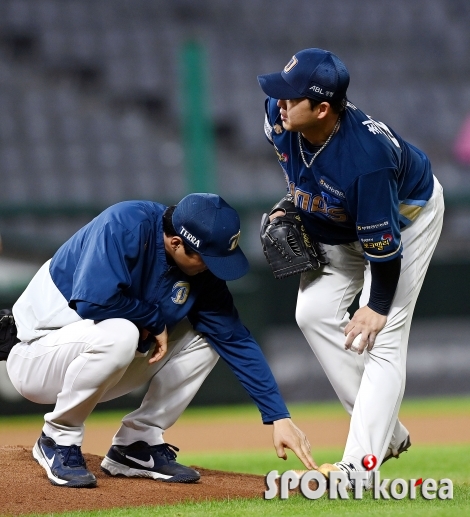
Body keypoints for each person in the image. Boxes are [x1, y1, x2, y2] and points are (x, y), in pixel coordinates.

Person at [6, 193, 316, 488]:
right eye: (207, 258)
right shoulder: (125, 225)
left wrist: (278, 417)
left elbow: (235, 339)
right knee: (123, 332)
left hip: (103, 357)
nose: (212, 268)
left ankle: (137, 443)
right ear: (176, 242)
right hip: (38, 356)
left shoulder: (199, 271)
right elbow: (92, 302)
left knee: (208, 337)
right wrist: (153, 319)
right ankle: (58, 437)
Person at [257, 48, 444, 487]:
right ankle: (386, 431)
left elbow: (384, 250)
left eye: (290, 97)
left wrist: (377, 305)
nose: (278, 102)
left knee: (383, 337)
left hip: (405, 222)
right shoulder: (279, 117)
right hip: (344, 224)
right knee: (312, 312)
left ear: (323, 108)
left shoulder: (365, 161)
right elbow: (306, 175)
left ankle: (358, 469)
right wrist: (293, 203)